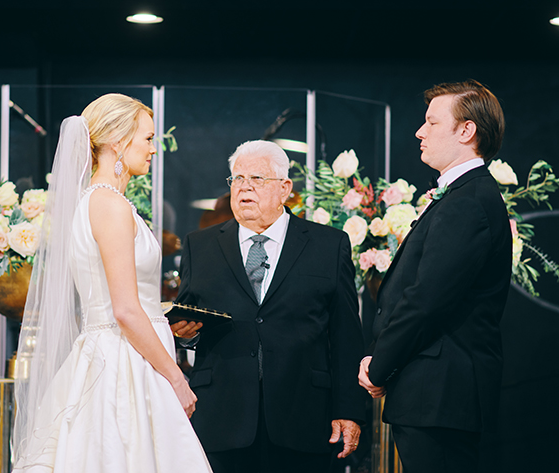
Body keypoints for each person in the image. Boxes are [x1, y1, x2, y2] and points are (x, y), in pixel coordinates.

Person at [11, 94, 212, 472]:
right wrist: (176, 377)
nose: (154, 149)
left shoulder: (100, 202)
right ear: (119, 141)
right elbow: (124, 309)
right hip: (124, 364)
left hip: (125, 352)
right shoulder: (109, 206)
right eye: (148, 139)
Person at [172, 140, 365, 473]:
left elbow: (346, 335)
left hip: (304, 416)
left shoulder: (328, 245)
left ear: (285, 188)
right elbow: (188, 322)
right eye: (237, 179)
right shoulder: (198, 245)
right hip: (222, 418)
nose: (244, 187)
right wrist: (185, 336)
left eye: (257, 179)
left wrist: (348, 409)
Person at [358, 80, 512, 473]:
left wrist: (379, 366)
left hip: (442, 395)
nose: (419, 132)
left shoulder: (468, 202)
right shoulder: (464, 196)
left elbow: (427, 300)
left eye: (431, 122)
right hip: (436, 395)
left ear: (466, 131)